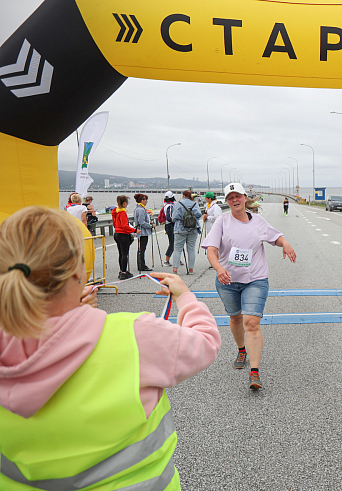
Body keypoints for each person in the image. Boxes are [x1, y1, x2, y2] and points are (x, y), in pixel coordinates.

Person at [0, 206, 221, 490]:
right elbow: (205, 342)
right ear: (78, 272)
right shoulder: (134, 336)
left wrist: (69, 319)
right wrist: (186, 298)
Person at [202, 182, 297, 390]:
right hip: (227, 281)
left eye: (238, 196)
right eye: (230, 197)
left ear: (245, 198)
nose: (235, 200)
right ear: (227, 201)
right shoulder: (222, 222)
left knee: (252, 322)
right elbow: (211, 250)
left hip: (255, 279)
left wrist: (285, 243)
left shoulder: (258, 222)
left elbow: (275, 236)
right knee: (236, 317)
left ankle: (254, 373)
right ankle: (241, 349)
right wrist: (219, 269)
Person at [171, 190, 202, 275]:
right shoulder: (195, 204)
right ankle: (191, 269)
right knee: (191, 249)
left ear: (183, 195)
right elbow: (199, 214)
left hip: (180, 228)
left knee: (177, 249)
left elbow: (174, 217)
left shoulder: (178, 204)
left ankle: (175, 269)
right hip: (193, 228)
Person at [112, 195, 135, 280]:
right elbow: (125, 226)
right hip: (123, 234)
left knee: (121, 253)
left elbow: (114, 224)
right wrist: (135, 230)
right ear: (124, 203)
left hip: (117, 234)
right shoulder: (122, 212)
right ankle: (124, 272)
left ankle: (122, 270)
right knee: (125, 254)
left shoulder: (116, 212)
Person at [133, 193, 153, 273]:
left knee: (141, 249)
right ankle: (141, 265)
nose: (146, 201)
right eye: (145, 199)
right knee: (142, 249)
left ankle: (141, 264)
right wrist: (150, 226)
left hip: (142, 232)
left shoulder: (140, 208)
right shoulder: (140, 209)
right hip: (142, 232)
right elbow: (141, 222)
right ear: (141, 200)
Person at [162, 191, 179, 267]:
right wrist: (177, 220)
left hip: (168, 226)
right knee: (172, 243)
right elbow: (169, 218)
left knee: (175, 243)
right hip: (171, 226)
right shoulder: (170, 206)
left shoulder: (166, 205)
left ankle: (177, 259)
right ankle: (167, 260)